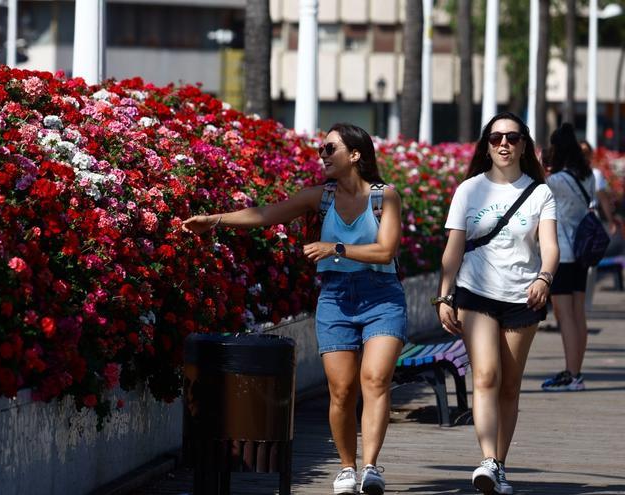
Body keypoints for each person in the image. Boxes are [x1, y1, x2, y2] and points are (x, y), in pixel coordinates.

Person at [183, 123, 406, 495]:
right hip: (335, 298)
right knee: (341, 391)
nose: (322, 155)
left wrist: (335, 249)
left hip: (382, 296)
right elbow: (267, 213)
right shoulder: (319, 198)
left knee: (376, 380)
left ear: (355, 155)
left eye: (330, 149)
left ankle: (371, 467)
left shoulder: (386, 197)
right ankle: (347, 468)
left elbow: (386, 251)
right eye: (321, 149)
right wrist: (216, 220)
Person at [435, 112, 558, 495]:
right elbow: (453, 249)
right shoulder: (469, 190)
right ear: (486, 146)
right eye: (495, 138)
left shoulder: (540, 192)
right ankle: (488, 460)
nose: (503, 144)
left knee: (509, 384)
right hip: (475, 292)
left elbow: (551, 247)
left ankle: (499, 466)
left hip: (523, 296)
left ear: (524, 145)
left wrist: (544, 277)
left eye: (512, 137)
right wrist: (444, 293)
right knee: (486, 375)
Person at [541, 125, 596, 392]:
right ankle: (576, 370)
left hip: (561, 253)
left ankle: (572, 374)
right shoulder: (589, 176)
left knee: (565, 316)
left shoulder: (556, 181)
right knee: (578, 313)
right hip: (582, 252)